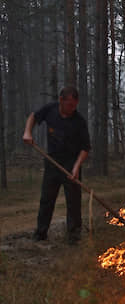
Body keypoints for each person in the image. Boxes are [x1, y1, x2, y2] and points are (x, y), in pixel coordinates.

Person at [23, 86, 91, 244]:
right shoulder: (50, 110)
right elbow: (33, 116)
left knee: (73, 201)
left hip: (71, 164)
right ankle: (41, 233)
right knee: (47, 199)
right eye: (69, 105)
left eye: (75, 105)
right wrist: (28, 132)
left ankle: (74, 236)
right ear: (61, 100)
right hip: (52, 162)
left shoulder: (79, 121)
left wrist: (76, 168)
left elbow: (85, 148)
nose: (72, 109)